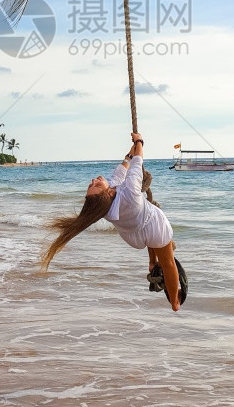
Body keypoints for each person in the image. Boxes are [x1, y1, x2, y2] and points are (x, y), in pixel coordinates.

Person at [40, 132, 184, 311]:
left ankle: (152, 262)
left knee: (150, 237)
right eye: (96, 185)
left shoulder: (105, 207)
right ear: (108, 193)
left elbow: (124, 168)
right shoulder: (130, 193)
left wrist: (128, 155)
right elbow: (137, 164)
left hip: (133, 235)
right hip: (153, 225)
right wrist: (139, 141)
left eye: (91, 184)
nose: (94, 180)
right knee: (168, 262)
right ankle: (174, 302)